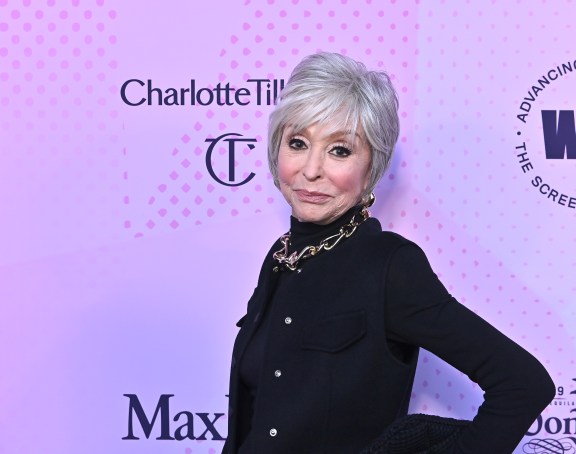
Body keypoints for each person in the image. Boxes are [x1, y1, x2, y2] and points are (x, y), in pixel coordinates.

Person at [222, 52, 555, 454]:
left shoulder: (390, 267)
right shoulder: (281, 256)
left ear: (371, 169)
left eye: (339, 150)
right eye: (298, 143)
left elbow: (523, 384)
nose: (311, 170)